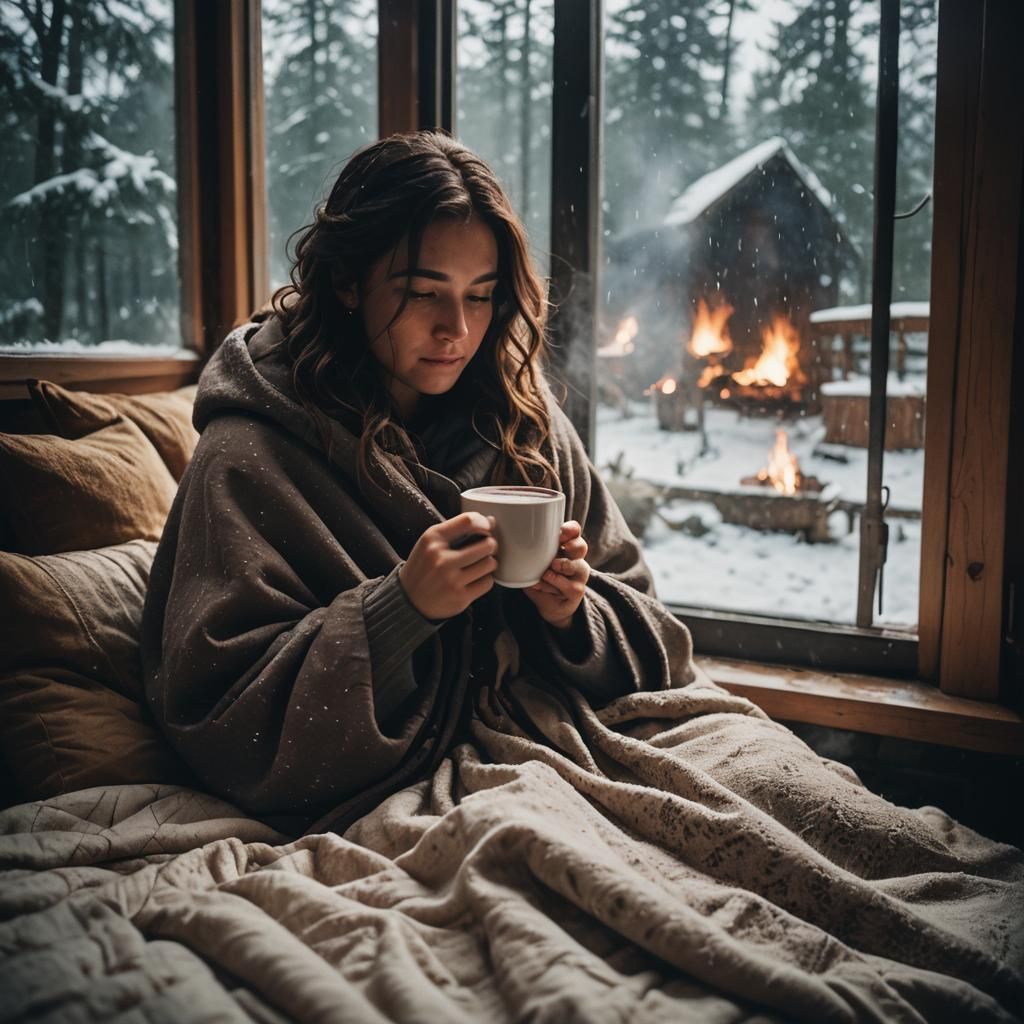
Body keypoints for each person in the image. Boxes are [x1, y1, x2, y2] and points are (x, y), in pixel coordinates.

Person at [142, 131, 695, 835]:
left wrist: (570, 613)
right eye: (422, 292)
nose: (456, 330)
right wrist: (399, 611)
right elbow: (219, 715)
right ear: (348, 282)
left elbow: (656, 633)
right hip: (382, 795)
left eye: (481, 296)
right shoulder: (251, 450)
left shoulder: (523, 420)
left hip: (537, 746)